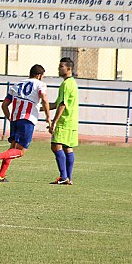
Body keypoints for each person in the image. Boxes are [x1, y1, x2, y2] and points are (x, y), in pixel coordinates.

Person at [0, 64, 51, 182]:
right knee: (20, 151)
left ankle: (1, 175)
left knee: (12, 148)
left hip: (15, 119)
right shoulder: (40, 84)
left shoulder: (17, 84)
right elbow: (44, 99)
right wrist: (48, 117)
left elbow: (4, 105)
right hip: (27, 120)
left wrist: (9, 117)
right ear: (39, 75)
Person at [48, 57, 79, 185]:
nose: (59, 68)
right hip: (71, 121)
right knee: (67, 148)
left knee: (55, 146)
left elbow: (62, 104)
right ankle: (68, 178)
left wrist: (54, 122)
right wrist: (40, 107)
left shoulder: (66, 84)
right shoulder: (72, 83)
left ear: (69, 69)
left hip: (64, 121)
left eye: (61, 66)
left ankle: (63, 177)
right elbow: (56, 103)